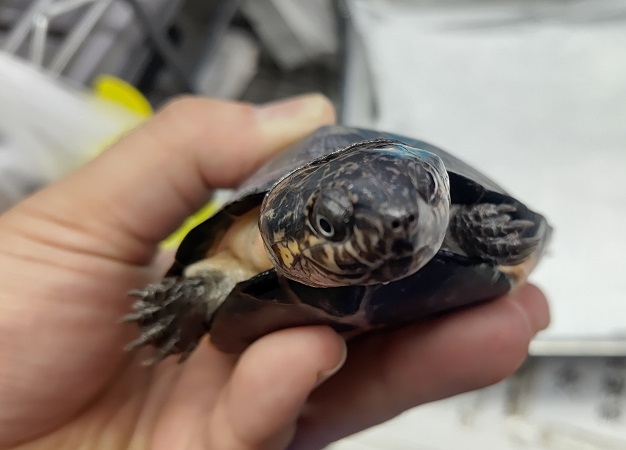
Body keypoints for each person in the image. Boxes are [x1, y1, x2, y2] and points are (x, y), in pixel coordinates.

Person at [0, 94, 550, 450]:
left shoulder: (449, 223)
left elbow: (502, 228)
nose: (397, 227)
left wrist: (474, 229)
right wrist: (185, 302)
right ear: (281, 212)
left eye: (425, 201)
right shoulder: (245, 246)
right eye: (332, 224)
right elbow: (207, 273)